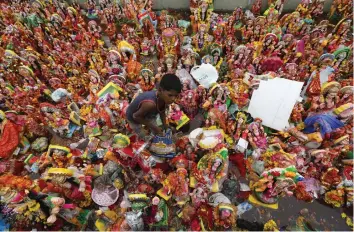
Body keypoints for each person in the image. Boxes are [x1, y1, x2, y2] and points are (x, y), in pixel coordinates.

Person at [126, 73, 182, 140]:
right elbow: (135, 116)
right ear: (160, 90)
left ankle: (155, 134)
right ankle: (146, 142)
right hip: (133, 117)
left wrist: (165, 125)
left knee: (155, 128)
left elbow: (162, 111)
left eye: (175, 96)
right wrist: (153, 127)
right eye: (170, 95)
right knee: (142, 134)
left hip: (147, 114)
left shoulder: (164, 98)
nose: (173, 99)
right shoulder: (150, 104)